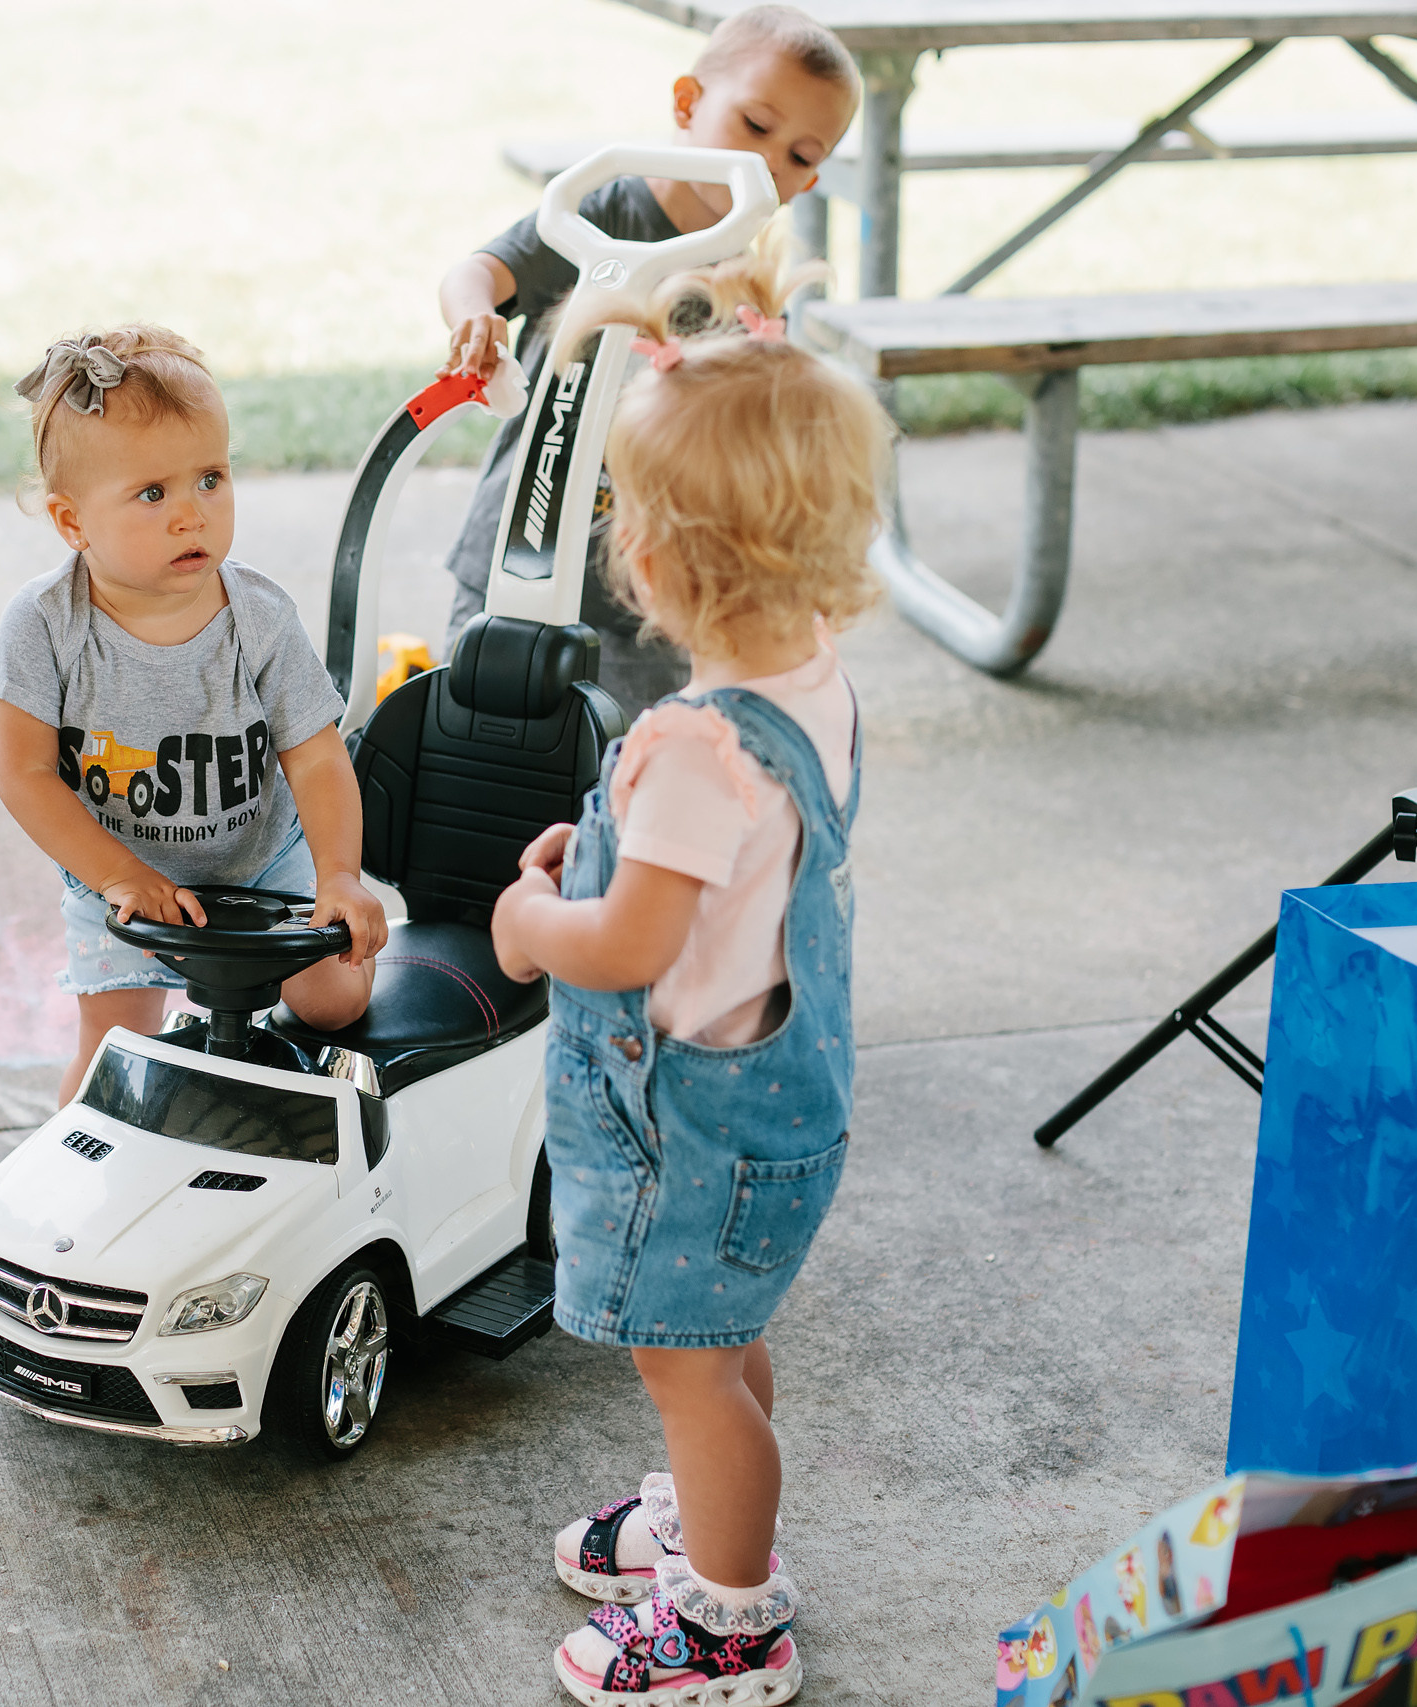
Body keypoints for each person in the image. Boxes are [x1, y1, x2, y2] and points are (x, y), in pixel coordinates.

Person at [489, 255, 890, 1705]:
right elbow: (705, 883)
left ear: (655, 554)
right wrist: (604, 855)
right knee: (721, 1342)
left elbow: (633, 946)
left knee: (688, 1364)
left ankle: (730, 1617)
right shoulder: (812, 684)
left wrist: (537, 919)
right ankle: (706, 1514)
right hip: (772, 1102)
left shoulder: (691, 744)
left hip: (687, 1124)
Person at [0, 327, 388, 1102]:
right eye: (152, 493)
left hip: (262, 864)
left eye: (211, 478)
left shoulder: (259, 615)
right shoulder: (42, 624)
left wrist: (338, 875)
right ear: (73, 522)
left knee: (332, 1003)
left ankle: (353, 954)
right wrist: (118, 874)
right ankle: (69, 1181)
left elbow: (315, 753)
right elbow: (23, 773)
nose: (191, 514)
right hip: (122, 874)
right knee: (113, 1052)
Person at [435, 3, 861, 720]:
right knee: (482, 743)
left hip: (662, 595)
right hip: (522, 554)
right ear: (688, 104)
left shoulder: (750, 288)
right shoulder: (602, 216)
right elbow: (478, 272)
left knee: (628, 774)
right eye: (756, 126)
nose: (767, 161)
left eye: (800, 156)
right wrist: (475, 317)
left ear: (810, 182)